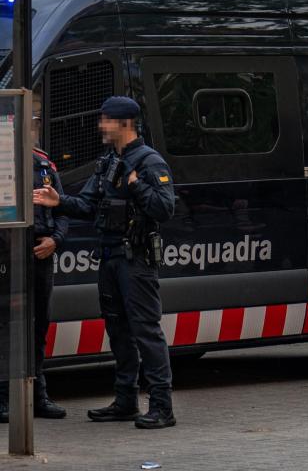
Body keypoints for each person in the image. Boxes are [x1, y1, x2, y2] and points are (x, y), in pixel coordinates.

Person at [33, 96, 176, 429]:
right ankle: (125, 401)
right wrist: (58, 201)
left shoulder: (149, 161)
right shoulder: (109, 162)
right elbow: (86, 205)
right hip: (110, 258)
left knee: (145, 330)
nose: (100, 125)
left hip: (135, 259)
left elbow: (164, 208)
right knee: (118, 330)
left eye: (106, 119)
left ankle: (162, 406)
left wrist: (137, 185)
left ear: (124, 123)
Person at [0, 100, 68, 423]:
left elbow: (61, 209)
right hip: (7, 257)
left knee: (39, 326)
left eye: (35, 122)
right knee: (7, 327)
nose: (33, 128)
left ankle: (38, 394)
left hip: (41, 255)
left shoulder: (44, 164)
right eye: (29, 122)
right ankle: (3, 396)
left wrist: (56, 240)